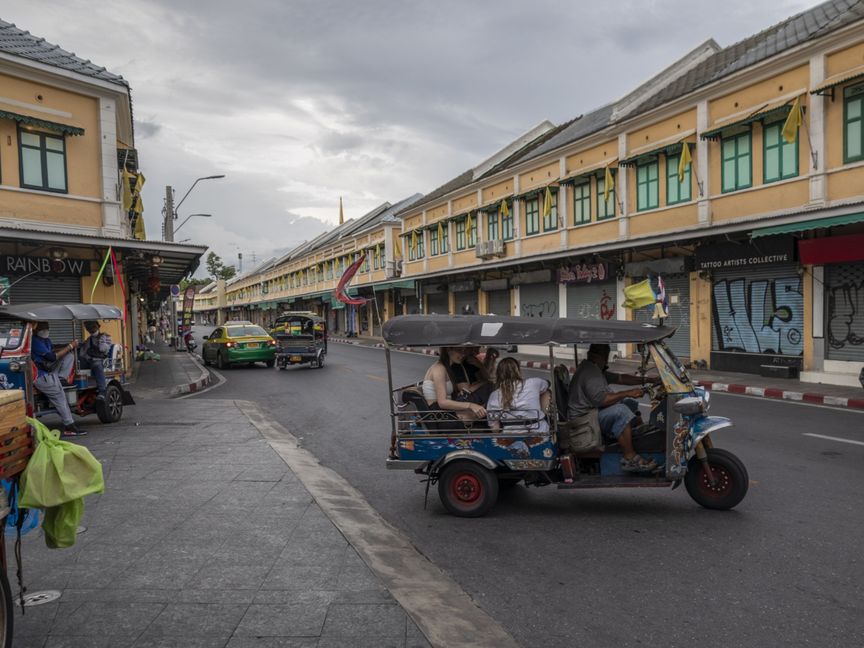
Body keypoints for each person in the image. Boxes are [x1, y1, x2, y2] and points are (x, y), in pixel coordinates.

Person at [567, 343, 657, 473]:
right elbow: (602, 400)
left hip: (591, 414)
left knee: (628, 403)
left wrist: (647, 380)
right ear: (599, 356)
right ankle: (629, 457)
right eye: (604, 356)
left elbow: (620, 378)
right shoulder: (590, 373)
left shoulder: (595, 369)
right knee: (621, 411)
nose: (606, 359)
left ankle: (634, 436)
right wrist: (628, 392)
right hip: (585, 421)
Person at [30, 321, 85, 437]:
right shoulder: (34, 341)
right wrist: (70, 346)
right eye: (42, 328)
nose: (45, 330)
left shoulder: (46, 340)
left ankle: (60, 378)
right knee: (60, 399)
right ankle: (70, 426)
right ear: (36, 329)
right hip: (41, 375)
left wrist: (67, 348)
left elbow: (53, 351)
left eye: (47, 327)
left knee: (69, 356)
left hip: (49, 372)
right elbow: (51, 357)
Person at [487, 358, 551, 432]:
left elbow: (495, 428)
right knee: (546, 392)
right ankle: (545, 416)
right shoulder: (533, 383)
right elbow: (547, 384)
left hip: (510, 436)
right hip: (539, 431)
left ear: (498, 374)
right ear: (518, 371)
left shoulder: (495, 395)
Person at [422, 347, 486, 422]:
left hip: (447, 412)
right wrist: (470, 405)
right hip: (439, 415)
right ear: (448, 350)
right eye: (459, 351)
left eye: (464, 351)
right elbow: (442, 402)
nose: (463, 355)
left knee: (484, 410)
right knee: (483, 414)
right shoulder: (439, 368)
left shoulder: (447, 368)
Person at [78, 320, 112, 399]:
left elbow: (103, 349)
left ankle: (102, 390)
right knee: (76, 362)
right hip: (89, 360)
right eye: (89, 328)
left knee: (96, 365)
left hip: (100, 360)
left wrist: (102, 340)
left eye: (93, 327)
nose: (91, 329)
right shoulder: (89, 339)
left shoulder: (106, 336)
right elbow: (83, 352)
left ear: (98, 326)